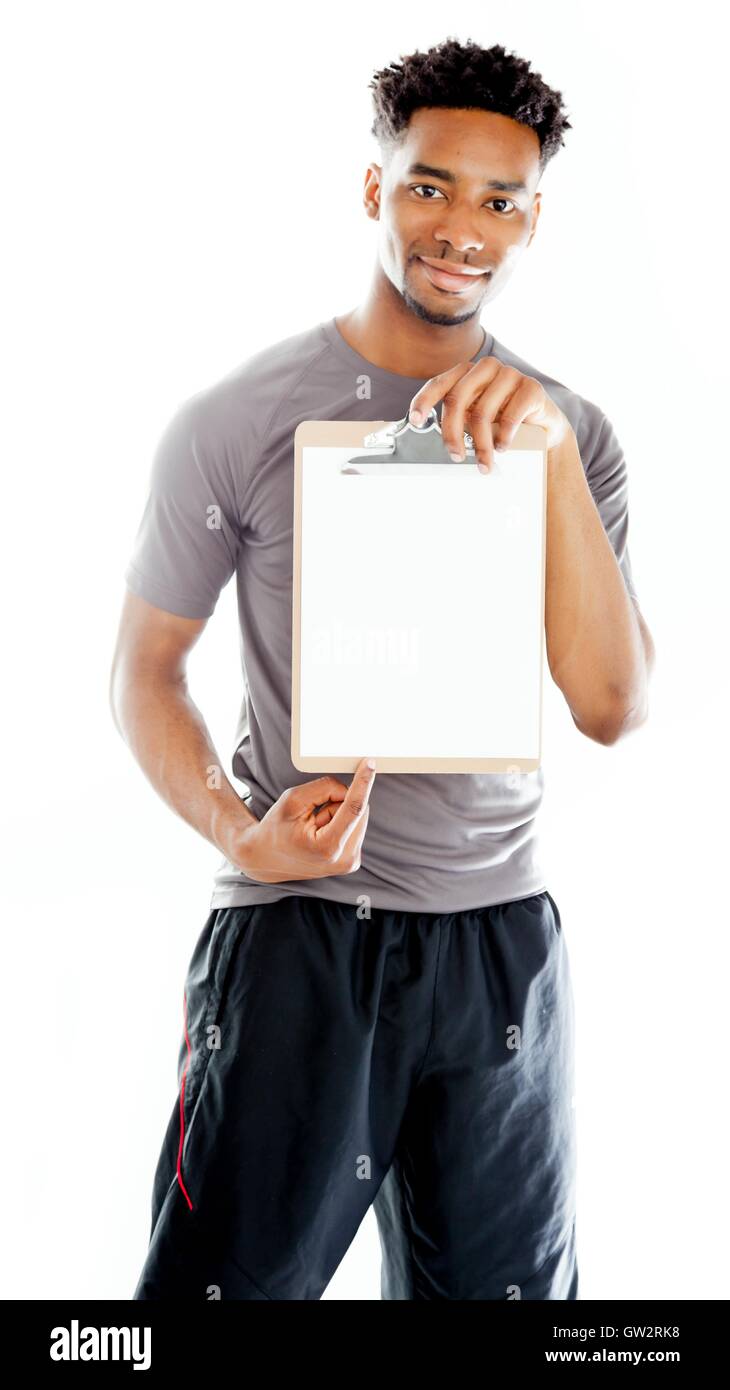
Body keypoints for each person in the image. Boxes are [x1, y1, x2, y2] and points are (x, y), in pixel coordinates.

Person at [110, 36, 655, 1301]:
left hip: (496, 943)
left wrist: (550, 455)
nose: (461, 227)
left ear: (532, 220)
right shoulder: (237, 420)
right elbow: (144, 669)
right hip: (298, 931)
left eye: (498, 200)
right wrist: (241, 834)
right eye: (428, 185)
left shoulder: (574, 430)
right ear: (375, 190)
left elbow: (612, 706)